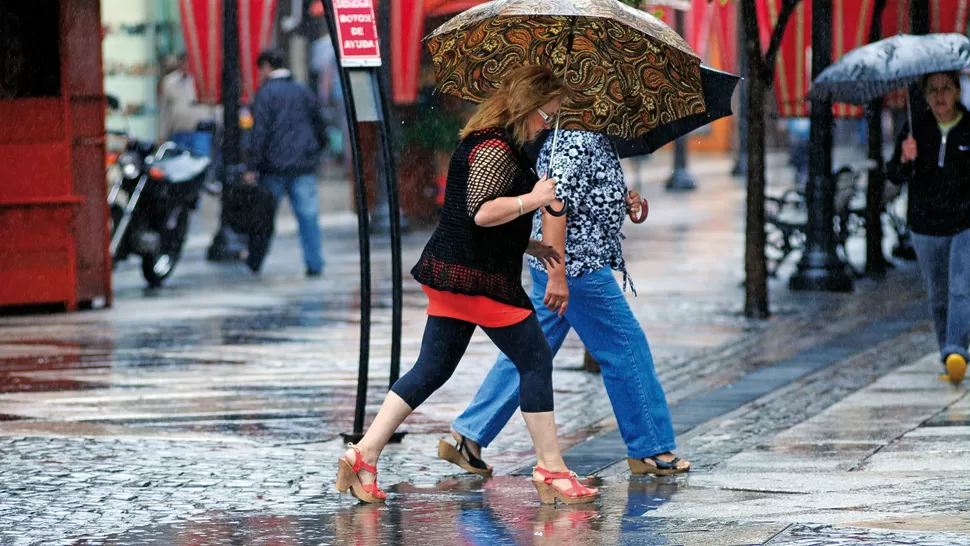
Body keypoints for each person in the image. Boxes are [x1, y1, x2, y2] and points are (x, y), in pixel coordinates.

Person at [335, 65, 598, 506]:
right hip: (478, 282)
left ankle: (364, 453)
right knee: (534, 360)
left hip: (455, 274)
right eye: (546, 115)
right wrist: (534, 199)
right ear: (527, 107)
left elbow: (475, 218)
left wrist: (529, 245)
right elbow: (480, 211)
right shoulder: (494, 147)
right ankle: (551, 469)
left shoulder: (495, 143)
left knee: (432, 369)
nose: (547, 124)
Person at [440, 130, 691, 477]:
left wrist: (633, 204)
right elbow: (553, 208)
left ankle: (469, 433)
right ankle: (649, 447)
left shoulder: (595, 139)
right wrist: (558, 275)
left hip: (569, 266)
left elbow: (590, 200)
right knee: (626, 348)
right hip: (577, 269)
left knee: (529, 352)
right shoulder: (573, 141)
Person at [887, 70, 970, 384]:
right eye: (933, 90)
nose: (940, 96)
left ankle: (956, 350)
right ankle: (948, 358)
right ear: (925, 96)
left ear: (957, 92)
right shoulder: (915, 128)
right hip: (925, 224)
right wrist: (905, 159)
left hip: (965, 222)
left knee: (961, 287)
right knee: (939, 295)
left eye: (946, 89)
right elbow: (893, 175)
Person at [244, 48, 328, 277]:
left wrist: (253, 165)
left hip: (273, 167)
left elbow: (259, 132)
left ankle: (255, 261)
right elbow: (319, 124)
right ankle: (314, 263)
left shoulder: (265, 94)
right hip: (302, 165)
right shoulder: (302, 91)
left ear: (266, 67)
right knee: (308, 217)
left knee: (264, 218)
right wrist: (316, 149)